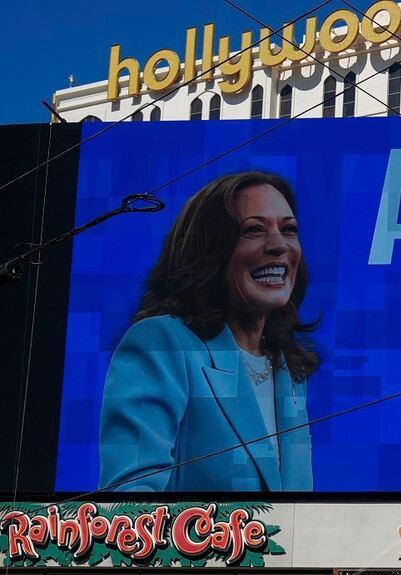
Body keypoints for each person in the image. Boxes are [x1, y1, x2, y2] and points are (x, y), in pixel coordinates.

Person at [99, 171, 318, 491]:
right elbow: (129, 503)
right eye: (254, 230)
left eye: (288, 229)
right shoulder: (161, 344)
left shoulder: (288, 370)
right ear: (209, 251)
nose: (278, 245)